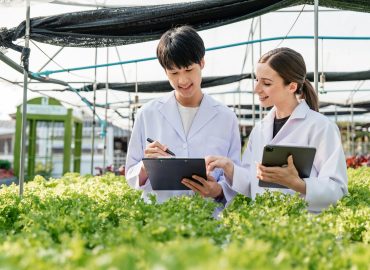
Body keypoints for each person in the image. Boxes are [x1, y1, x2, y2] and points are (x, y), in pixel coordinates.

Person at [184, 47, 348, 212]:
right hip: (264, 228)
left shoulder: (321, 127)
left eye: (266, 83)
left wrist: (298, 184)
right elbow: (252, 183)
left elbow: (337, 190)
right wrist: (229, 168)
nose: (256, 89)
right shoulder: (260, 129)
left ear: (291, 86)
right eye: (257, 80)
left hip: (302, 230)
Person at [125, 25, 241, 203]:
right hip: (158, 218)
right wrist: (146, 166)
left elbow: (236, 174)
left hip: (209, 219)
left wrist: (217, 190)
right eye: (174, 73)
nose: (183, 80)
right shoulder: (147, 114)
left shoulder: (226, 117)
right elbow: (131, 174)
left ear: (201, 62)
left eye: (188, 69)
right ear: (165, 71)